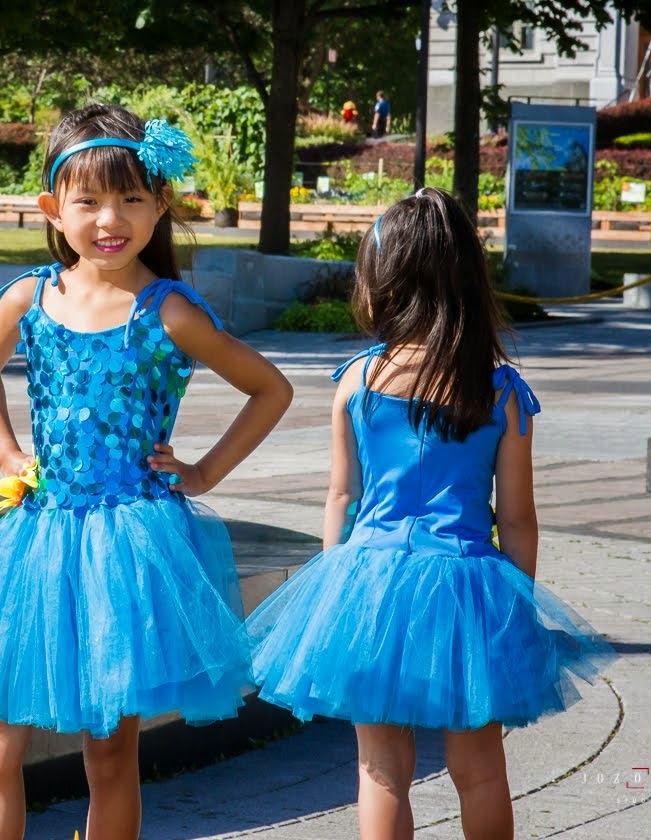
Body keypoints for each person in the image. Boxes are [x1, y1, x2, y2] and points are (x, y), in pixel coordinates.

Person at [0, 103, 293, 840]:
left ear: (160, 205)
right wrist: (7, 454)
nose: (110, 219)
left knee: (109, 751)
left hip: (129, 542)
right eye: (87, 202)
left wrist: (203, 473)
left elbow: (271, 388)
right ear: (52, 207)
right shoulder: (32, 297)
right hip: (39, 537)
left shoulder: (169, 311)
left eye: (131, 200)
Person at [245, 188, 616, 839]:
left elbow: (341, 498)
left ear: (382, 279)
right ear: (467, 277)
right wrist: (517, 605)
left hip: (368, 579)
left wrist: (334, 590)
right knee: (480, 770)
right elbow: (520, 518)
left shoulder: (356, 382)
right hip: (467, 586)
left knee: (380, 768)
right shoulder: (499, 391)